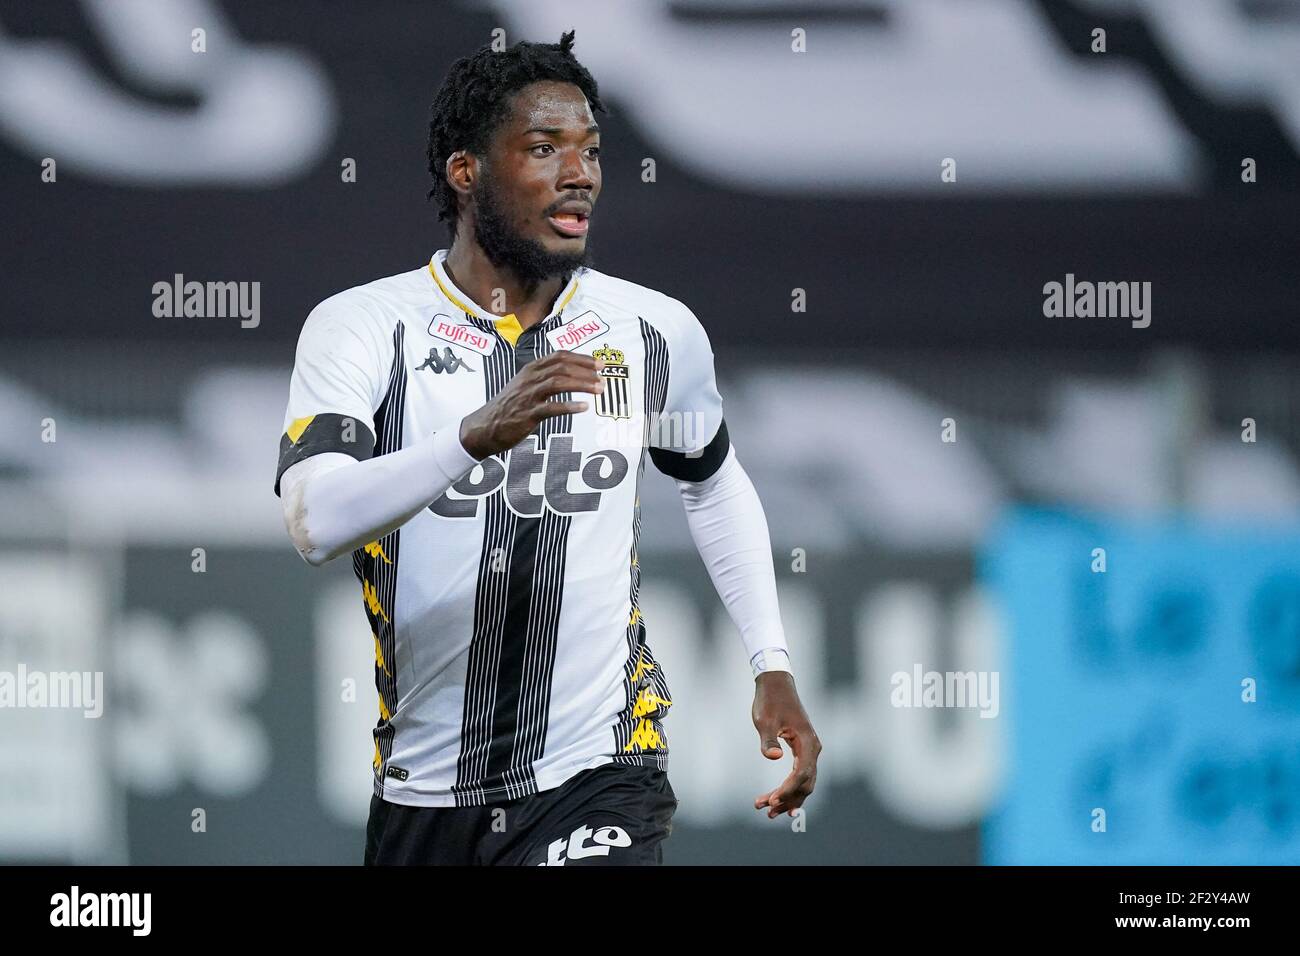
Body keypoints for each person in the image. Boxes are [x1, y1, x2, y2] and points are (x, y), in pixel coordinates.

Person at [274, 30, 820, 866]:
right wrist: (468, 439)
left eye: (591, 151)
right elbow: (315, 519)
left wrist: (770, 659)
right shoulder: (361, 328)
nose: (581, 174)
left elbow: (711, 482)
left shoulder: (650, 331)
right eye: (543, 148)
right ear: (467, 173)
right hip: (426, 792)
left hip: (600, 769)